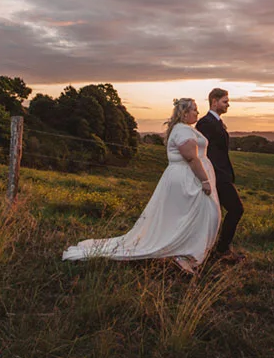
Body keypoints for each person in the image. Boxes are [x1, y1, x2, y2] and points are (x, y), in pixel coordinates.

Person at [62, 97, 221, 274]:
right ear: (184, 113)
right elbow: (191, 158)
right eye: (194, 110)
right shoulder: (183, 131)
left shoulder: (185, 129)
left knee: (190, 216)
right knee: (199, 214)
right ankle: (184, 253)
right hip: (186, 180)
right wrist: (204, 180)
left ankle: (185, 253)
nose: (197, 113)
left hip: (186, 178)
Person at [195, 87, 244, 262]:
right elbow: (205, 152)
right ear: (214, 102)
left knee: (219, 212)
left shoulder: (217, 122)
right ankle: (221, 249)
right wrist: (211, 176)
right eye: (225, 101)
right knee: (236, 209)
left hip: (222, 174)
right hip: (216, 175)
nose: (228, 105)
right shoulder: (205, 123)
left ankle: (218, 248)